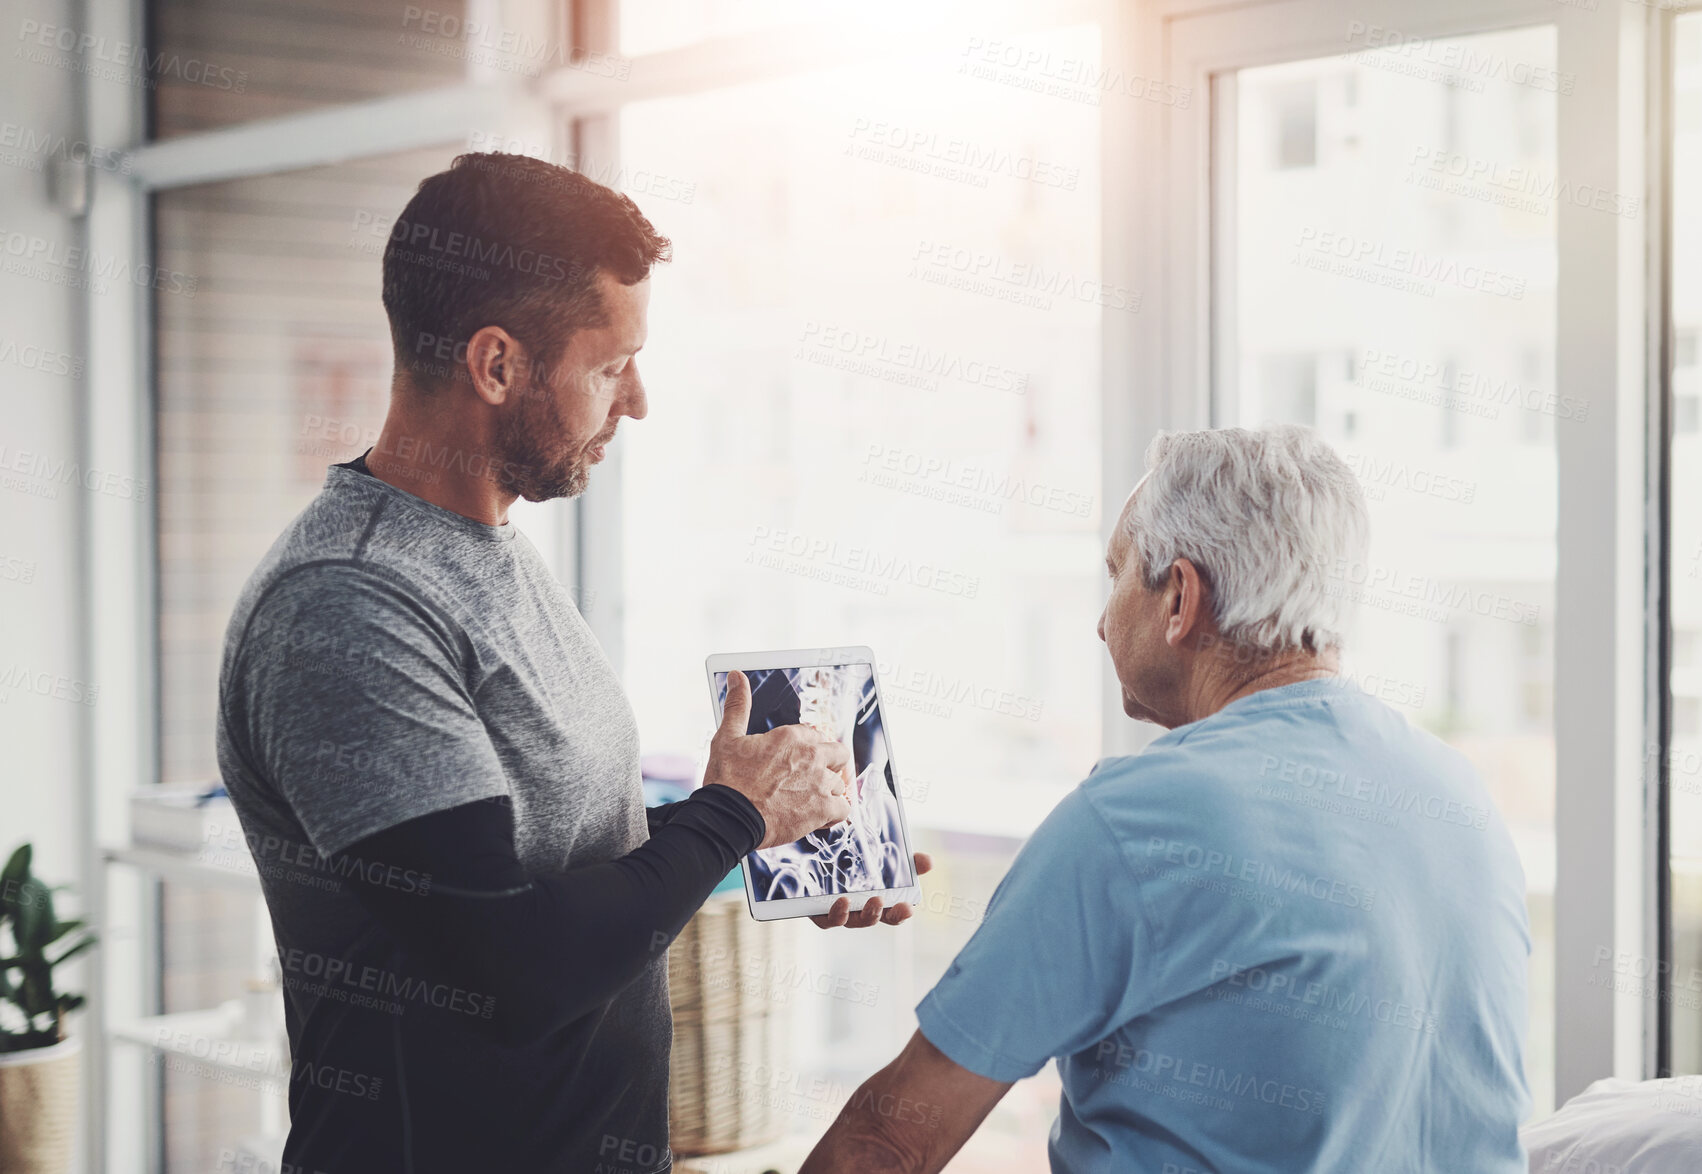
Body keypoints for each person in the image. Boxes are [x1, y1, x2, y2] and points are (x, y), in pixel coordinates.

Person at [215, 154, 927, 1174]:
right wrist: (735, 816)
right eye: (609, 364)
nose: (634, 401)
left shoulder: (489, 553)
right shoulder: (347, 605)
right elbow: (510, 968)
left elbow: (560, 871)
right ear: (495, 364)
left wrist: (764, 833)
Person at [800, 424, 1531, 1174]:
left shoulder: (1134, 820)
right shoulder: (1461, 798)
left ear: (1180, 597)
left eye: (1114, 573)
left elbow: (886, 1145)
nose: (1099, 621)